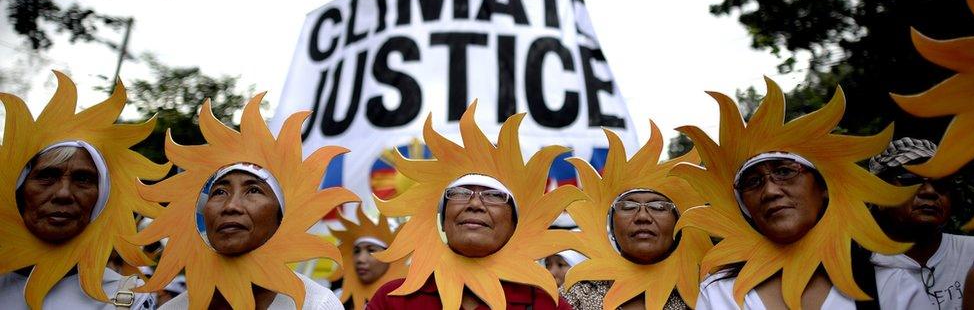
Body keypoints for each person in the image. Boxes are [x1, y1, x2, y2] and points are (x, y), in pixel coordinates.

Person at [368, 174, 572, 309]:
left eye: (494, 195)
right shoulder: (392, 300)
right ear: (443, 220)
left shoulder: (547, 304)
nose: (475, 203)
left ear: (514, 225)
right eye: (460, 193)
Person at [160, 163, 343, 310]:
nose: (230, 206)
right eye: (219, 192)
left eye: (253, 190)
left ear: (281, 217)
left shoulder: (316, 304)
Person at [0, 142, 156, 309]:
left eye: (83, 179)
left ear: (101, 196)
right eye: (47, 176)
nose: (64, 193)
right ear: (18, 190)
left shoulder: (129, 297)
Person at [696, 153, 856, 309]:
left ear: (823, 186)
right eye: (753, 181)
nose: (770, 192)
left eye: (784, 171)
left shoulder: (870, 273)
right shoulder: (718, 293)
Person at [869, 138, 974, 310]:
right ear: (878, 194)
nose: (930, 191)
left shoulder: (972, 254)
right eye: (910, 179)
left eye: (941, 182)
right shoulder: (859, 272)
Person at [562, 190, 688, 310]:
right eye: (628, 206)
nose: (642, 216)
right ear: (612, 224)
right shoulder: (578, 294)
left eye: (659, 206)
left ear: (678, 221)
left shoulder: (697, 291)